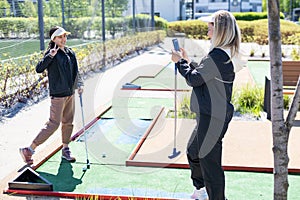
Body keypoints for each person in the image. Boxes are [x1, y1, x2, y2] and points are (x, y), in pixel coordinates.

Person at [171, 10, 241, 200]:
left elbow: (194, 79)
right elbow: (205, 74)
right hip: (210, 115)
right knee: (193, 152)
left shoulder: (218, 55)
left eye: (210, 29)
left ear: (219, 31)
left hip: (213, 118)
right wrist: (187, 61)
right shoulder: (219, 54)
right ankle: (201, 190)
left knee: (210, 164)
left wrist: (179, 64)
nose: (208, 33)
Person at [20, 26, 84, 166]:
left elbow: (76, 71)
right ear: (53, 39)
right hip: (58, 95)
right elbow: (39, 69)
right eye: (60, 37)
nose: (63, 39)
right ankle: (29, 149)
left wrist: (80, 84)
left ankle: (65, 149)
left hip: (70, 93)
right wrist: (50, 55)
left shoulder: (70, 52)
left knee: (68, 122)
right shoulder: (52, 53)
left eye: (65, 36)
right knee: (53, 124)